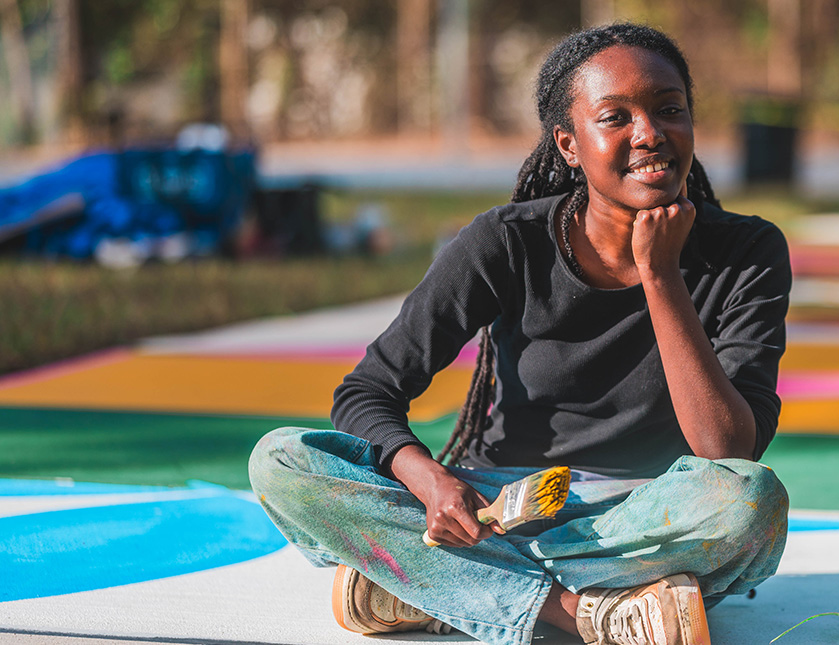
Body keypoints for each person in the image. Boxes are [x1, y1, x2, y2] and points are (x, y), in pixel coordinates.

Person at [249, 23, 790, 645]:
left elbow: (727, 449)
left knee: (751, 502)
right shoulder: (505, 242)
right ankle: (585, 611)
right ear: (568, 143)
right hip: (496, 510)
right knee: (282, 459)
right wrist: (429, 479)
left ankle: (426, 584)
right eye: (615, 117)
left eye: (670, 110)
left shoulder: (748, 251)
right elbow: (368, 390)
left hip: (646, 516)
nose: (650, 134)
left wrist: (660, 274)